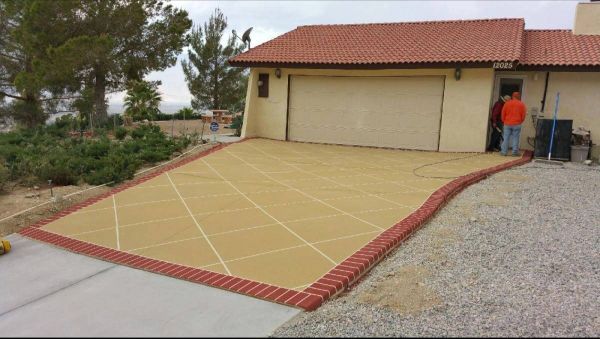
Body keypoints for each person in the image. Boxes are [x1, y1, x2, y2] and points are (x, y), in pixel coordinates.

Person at [500, 91, 527, 156]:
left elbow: (503, 113)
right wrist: (521, 121)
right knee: (516, 138)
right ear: (519, 97)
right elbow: (523, 115)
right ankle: (514, 152)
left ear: (512, 96)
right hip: (517, 123)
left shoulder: (507, 103)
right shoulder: (522, 104)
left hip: (507, 123)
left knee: (506, 138)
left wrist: (503, 121)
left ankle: (504, 152)